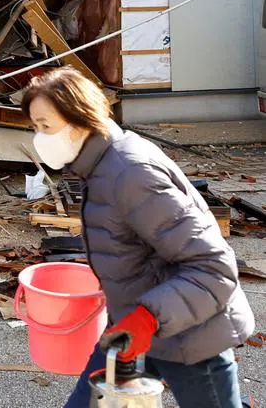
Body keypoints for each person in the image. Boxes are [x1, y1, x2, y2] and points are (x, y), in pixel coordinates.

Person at [21, 67, 254, 408]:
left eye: (45, 126)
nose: (39, 138)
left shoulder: (130, 173)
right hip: (135, 330)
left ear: (80, 118)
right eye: (35, 127)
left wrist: (147, 317)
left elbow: (213, 267)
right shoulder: (98, 166)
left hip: (191, 338)